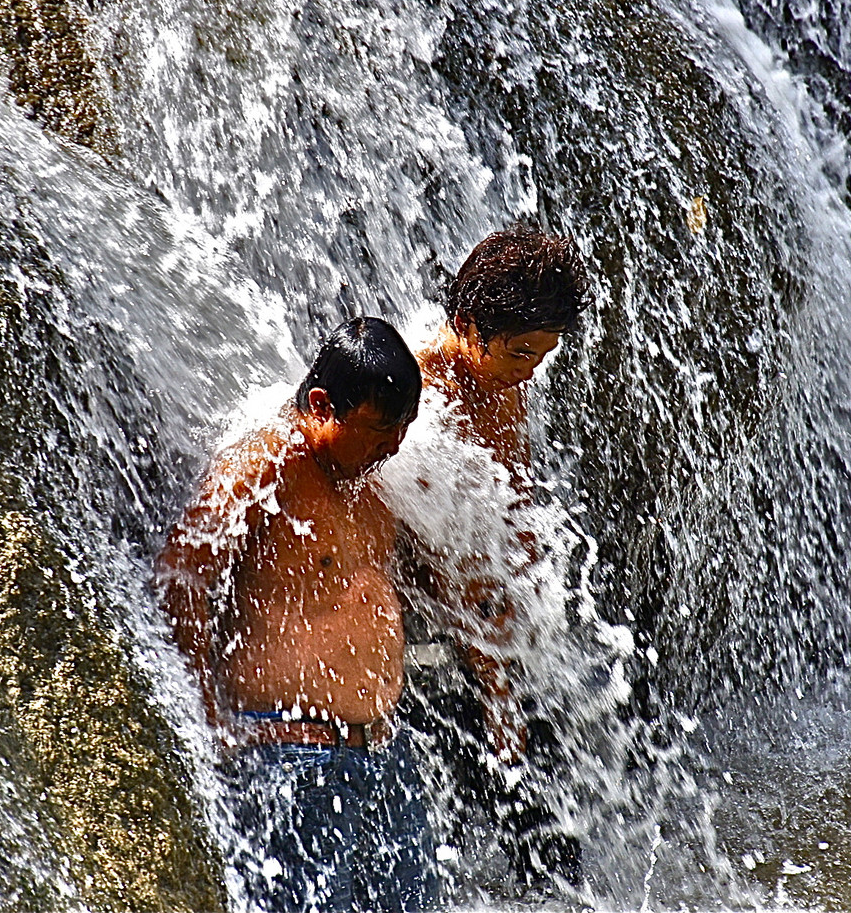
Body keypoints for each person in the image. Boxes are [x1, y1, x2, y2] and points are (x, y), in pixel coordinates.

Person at [155, 317, 437, 913]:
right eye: (379, 429)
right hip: (291, 756)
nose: (391, 448)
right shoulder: (264, 467)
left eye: (402, 432)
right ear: (320, 404)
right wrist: (207, 714)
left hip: (382, 756)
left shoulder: (368, 484)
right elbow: (181, 578)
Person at [380, 228, 590, 898]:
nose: (529, 367)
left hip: (480, 624)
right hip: (422, 644)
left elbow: (513, 494)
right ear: (467, 325)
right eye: (520, 351)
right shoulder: (420, 398)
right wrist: (498, 689)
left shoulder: (502, 376)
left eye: (543, 353)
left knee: (545, 823)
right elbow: (443, 564)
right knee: (478, 795)